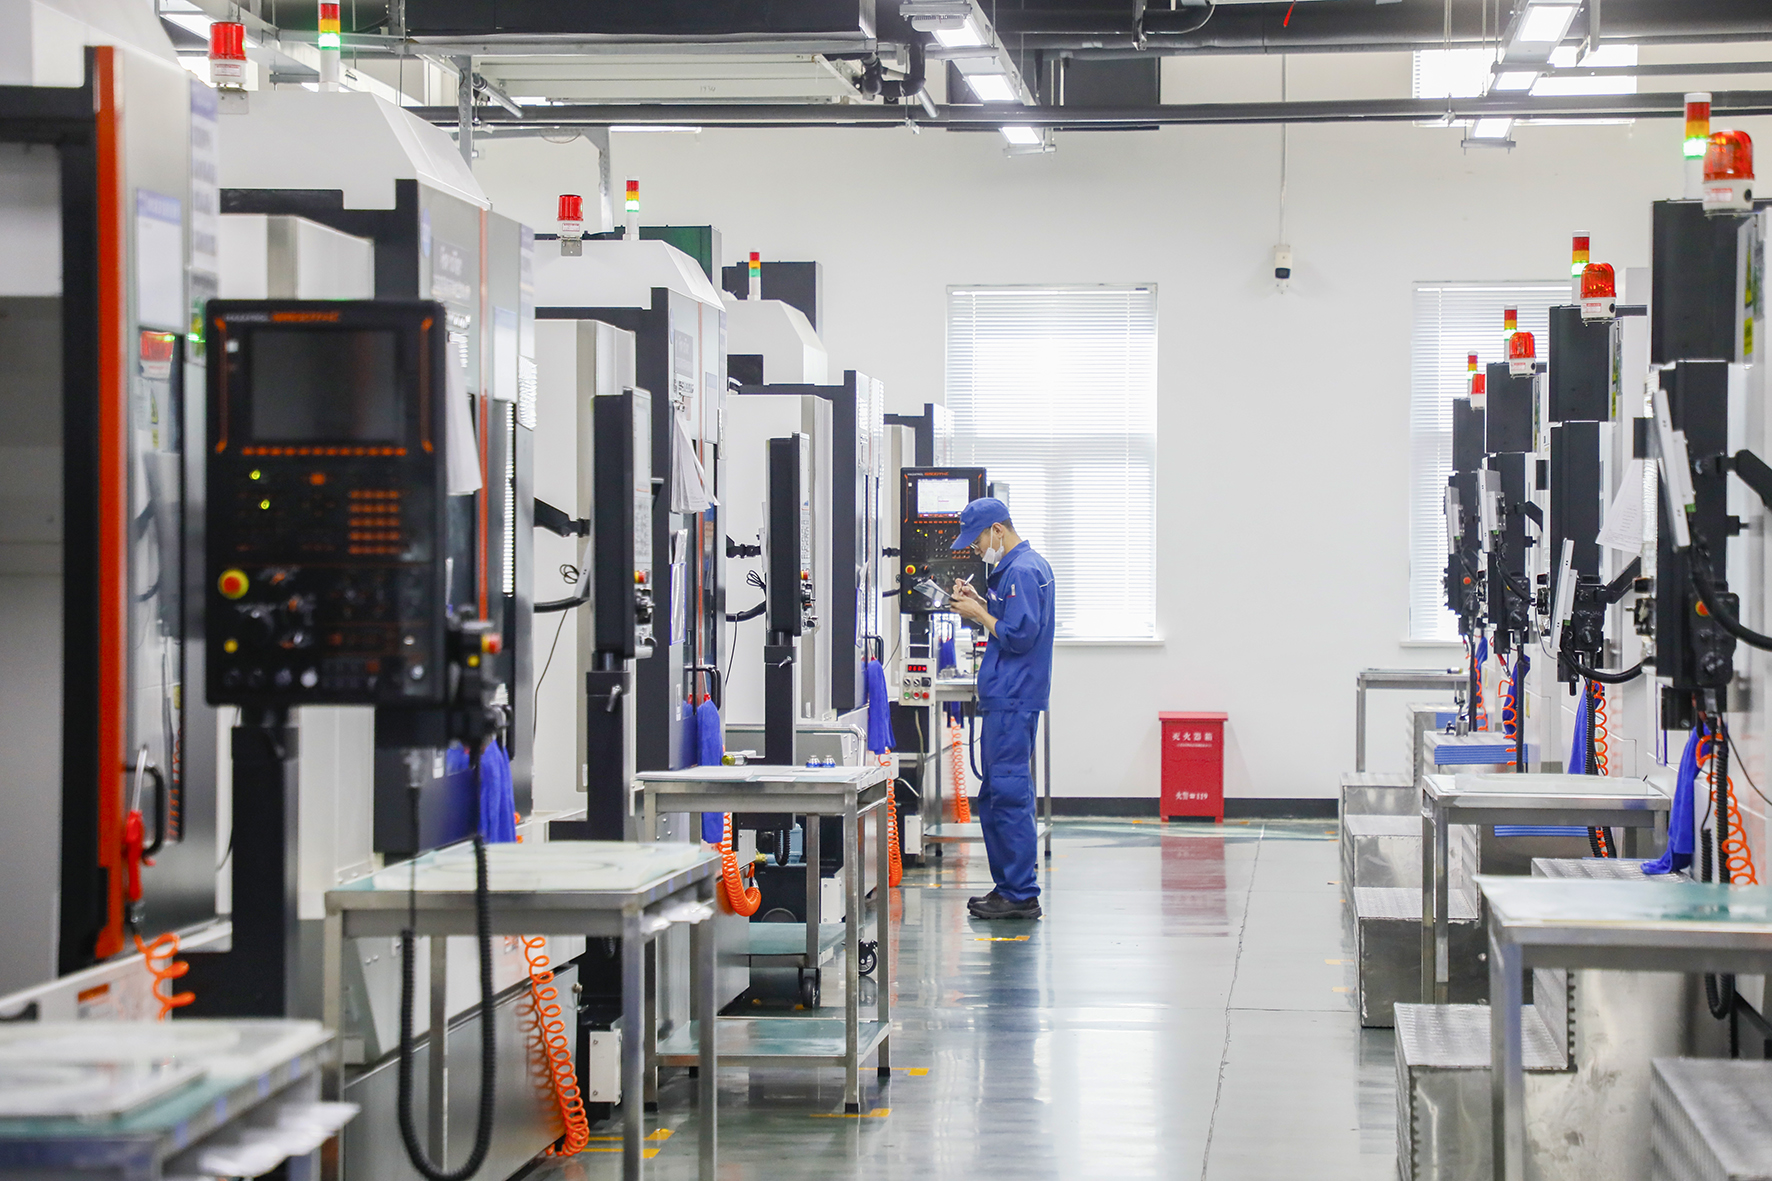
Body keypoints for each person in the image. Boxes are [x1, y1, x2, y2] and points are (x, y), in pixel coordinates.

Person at [947, 497, 1054, 920]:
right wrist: (982, 603)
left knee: (1008, 795)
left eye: (977, 541)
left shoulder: (1023, 571)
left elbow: (1021, 636)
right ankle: (1009, 885)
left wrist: (978, 614)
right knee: (995, 796)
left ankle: (1021, 893)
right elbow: (1011, 619)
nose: (976, 550)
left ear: (997, 530)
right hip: (1007, 696)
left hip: (1013, 696)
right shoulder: (1016, 569)